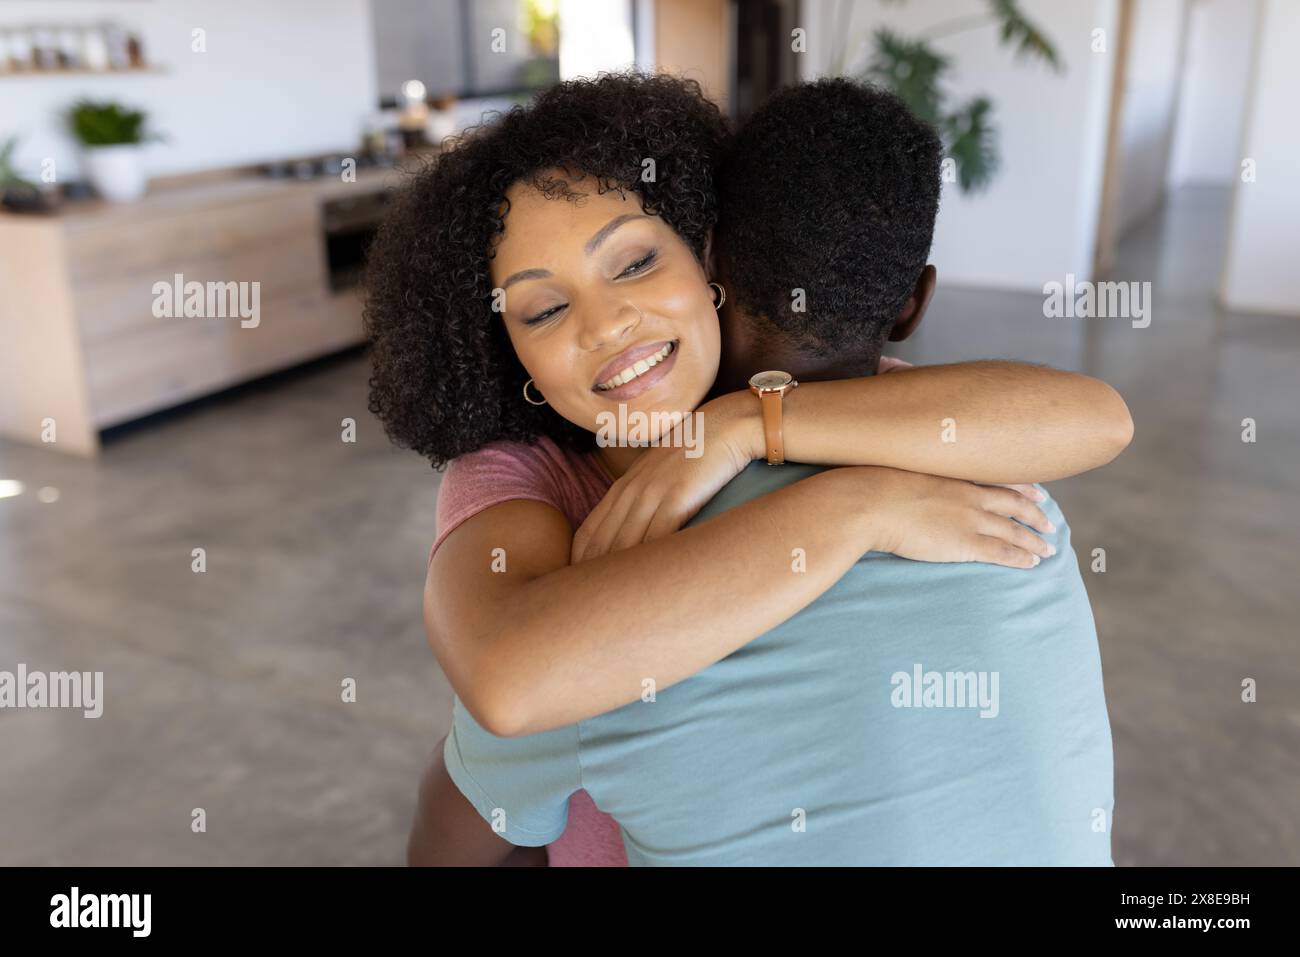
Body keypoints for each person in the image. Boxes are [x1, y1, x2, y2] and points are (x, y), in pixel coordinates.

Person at [362, 74, 1132, 865]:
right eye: (544, 309)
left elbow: (1095, 416)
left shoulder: (863, 416)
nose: (608, 323)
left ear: (708, 257)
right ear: (504, 349)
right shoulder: (526, 495)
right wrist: (859, 506)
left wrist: (741, 425)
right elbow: (506, 684)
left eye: (632, 264)